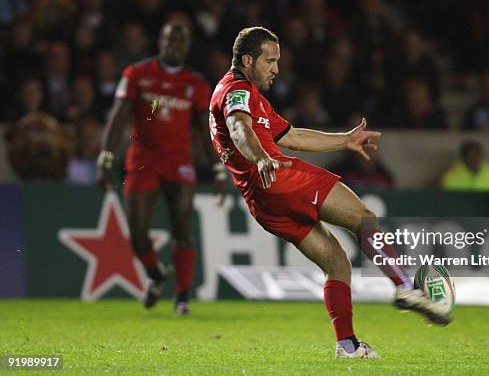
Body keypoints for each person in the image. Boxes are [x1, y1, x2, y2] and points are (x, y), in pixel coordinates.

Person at [209, 27, 450, 359]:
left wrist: (344, 139)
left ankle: (348, 345)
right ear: (247, 60)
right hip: (281, 179)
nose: (276, 69)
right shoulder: (236, 91)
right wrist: (263, 157)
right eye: (270, 60)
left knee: (337, 264)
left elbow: (292, 137)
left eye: (278, 61)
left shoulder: (250, 95)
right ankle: (406, 288)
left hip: (263, 203)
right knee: (365, 219)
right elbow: (239, 127)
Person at [97, 22, 226, 315]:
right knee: (138, 232)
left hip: (179, 161)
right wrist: (105, 156)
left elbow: (203, 131)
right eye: (170, 40)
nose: (174, 46)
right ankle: (156, 274)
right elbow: (118, 117)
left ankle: (182, 297)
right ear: (160, 41)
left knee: (182, 224)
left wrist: (218, 169)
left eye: (180, 41)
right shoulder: (136, 75)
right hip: (142, 160)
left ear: (187, 46)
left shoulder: (196, 84)